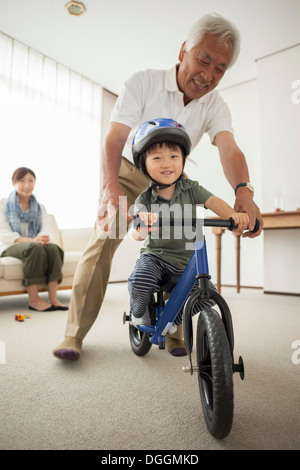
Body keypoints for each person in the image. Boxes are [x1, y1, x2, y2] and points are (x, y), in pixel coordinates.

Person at [53, 12, 263, 361]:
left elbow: (229, 148)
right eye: (204, 59)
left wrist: (244, 192)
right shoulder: (144, 82)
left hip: (172, 182)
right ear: (184, 50)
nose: (209, 75)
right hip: (127, 173)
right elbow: (114, 138)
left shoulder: (215, 105)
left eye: (220, 68)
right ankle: (73, 335)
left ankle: (173, 328)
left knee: (182, 251)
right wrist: (110, 190)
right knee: (101, 243)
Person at [128, 118, 249, 336]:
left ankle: (173, 318)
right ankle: (138, 311)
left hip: (187, 263)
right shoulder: (144, 199)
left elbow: (214, 202)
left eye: (174, 156)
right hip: (156, 258)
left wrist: (233, 216)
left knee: (207, 295)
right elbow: (136, 233)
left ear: (183, 160)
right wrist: (143, 225)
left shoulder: (191, 189)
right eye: (157, 158)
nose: (167, 163)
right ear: (143, 165)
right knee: (141, 279)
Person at [0, 167, 68, 312]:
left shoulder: (39, 207)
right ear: (13, 183)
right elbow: (2, 233)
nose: (27, 185)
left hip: (34, 244)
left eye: (31, 180)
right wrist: (31, 240)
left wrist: (42, 238)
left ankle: (53, 298)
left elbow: (46, 230)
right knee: (34, 248)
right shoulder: (3, 204)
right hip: (10, 246)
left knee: (53, 248)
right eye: (22, 180)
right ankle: (34, 300)